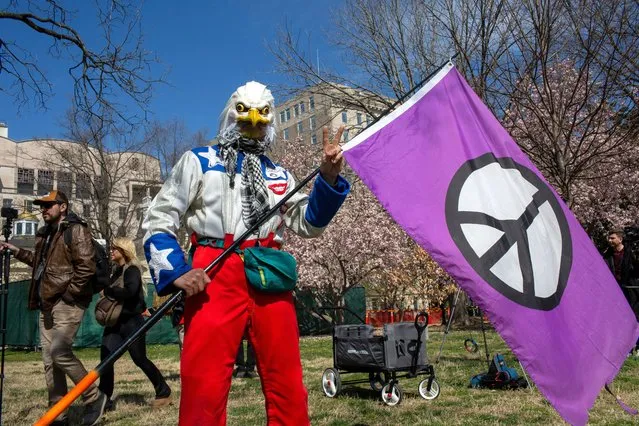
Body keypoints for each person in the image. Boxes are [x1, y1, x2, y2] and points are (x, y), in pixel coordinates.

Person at [142, 81, 350, 425]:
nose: (253, 119)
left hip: (269, 270)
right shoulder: (199, 160)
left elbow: (308, 224)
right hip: (213, 269)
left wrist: (327, 179)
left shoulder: (279, 174)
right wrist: (177, 270)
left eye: (262, 113)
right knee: (204, 381)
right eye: (244, 111)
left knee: (286, 379)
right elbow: (159, 217)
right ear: (229, 113)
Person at [0, 190, 107, 426]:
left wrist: (69, 295)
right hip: (46, 301)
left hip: (67, 302)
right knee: (49, 360)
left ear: (63, 207)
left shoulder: (75, 230)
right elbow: (38, 263)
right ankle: (59, 413)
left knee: (60, 353)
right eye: (42, 206)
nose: (44, 209)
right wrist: (15, 250)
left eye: (49, 205)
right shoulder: (44, 233)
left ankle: (94, 397)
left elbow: (86, 266)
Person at [98, 237, 172, 411]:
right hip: (115, 323)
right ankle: (103, 399)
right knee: (106, 360)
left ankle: (163, 391)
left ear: (123, 251)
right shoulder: (115, 271)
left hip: (132, 322)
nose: (111, 251)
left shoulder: (132, 270)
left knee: (139, 359)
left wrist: (109, 291)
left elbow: (130, 292)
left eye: (114, 249)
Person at [604, 229, 639, 333]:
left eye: (612, 238)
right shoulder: (608, 255)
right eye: (609, 238)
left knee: (634, 314)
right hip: (616, 289)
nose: (609, 240)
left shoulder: (631, 253)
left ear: (620, 239)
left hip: (630, 289)